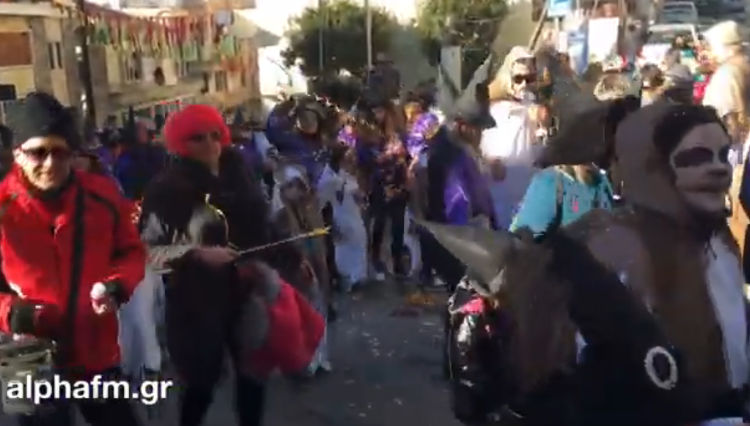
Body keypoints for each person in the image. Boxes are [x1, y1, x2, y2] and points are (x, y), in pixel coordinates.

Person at [430, 101, 750, 425]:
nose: (718, 169)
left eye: (723, 155)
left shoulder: (718, 247)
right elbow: (524, 252)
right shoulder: (596, 233)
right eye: (695, 157)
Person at [139, 104, 322, 426]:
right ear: (180, 143)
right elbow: (149, 249)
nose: (210, 144)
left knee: (253, 376)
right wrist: (195, 253)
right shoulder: (167, 187)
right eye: (197, 138)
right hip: (197, 299)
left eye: (215, 134)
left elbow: (265, 224)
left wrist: (294, 257)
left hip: (249, 289)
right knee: (200, 384)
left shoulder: (237, 169)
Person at [0, 92, 146, 425]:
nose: (50, 163)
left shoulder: (101, 195)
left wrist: (117, 286)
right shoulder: (4, 209)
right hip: (32, 358)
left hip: (96, 353)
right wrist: (12, 313)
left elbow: (131, 252)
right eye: (38, 152)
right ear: (18, 154)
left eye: (60, 152)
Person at [270, 164, 331, 375]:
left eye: (297, 185)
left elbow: (320, 244)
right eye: (289, 186)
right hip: (293, 275)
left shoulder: (311, 210)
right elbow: (283, 249)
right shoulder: (279, 218)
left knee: (317, 313)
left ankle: (318, 358)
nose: (295, 190)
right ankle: (301, 361)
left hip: (313, 270)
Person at [482, 46, 546, 229]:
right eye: (518, 79)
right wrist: (488, 159)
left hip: (526, 184)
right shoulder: (492, 107)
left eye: (529, 79)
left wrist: (539, 126)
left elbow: (538, 152)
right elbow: (481, 142)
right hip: (499, 183)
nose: (524, 84)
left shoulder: (533, 107)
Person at [317, 144, 368, 292]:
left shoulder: (347, 175)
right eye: (349, 157)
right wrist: (331, 226)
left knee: (359, 246)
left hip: (355, 216)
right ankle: (347, 280)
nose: (353, 160)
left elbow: (358, 195)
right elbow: (321, 205)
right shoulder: (329, 180)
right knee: (344, 251)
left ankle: (358, 278)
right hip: (341, 218)